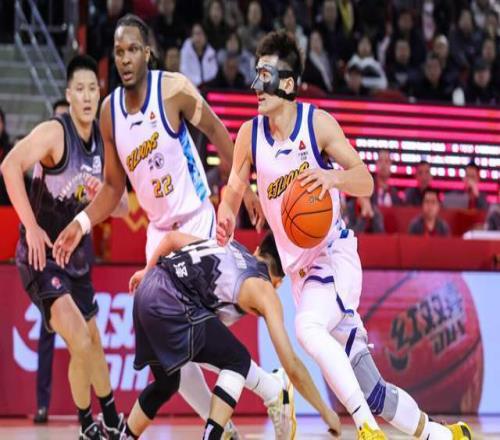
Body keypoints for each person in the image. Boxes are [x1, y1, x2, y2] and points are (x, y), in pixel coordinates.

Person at [217, 30, 472, 440]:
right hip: (301, 275)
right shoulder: (250, 134)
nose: (255, 86)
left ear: (287, 83)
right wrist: (227, 213)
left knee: (306, 328)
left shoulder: (317, 124)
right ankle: (445, 436)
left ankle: (367, 430)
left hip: (334, 256)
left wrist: (331, 177)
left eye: (265, 75)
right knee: (374, 390)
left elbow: (364, 180)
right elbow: (233, 186)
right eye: (255, 73)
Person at [52, 14, 294, 439]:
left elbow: (218, 131)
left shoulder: (174, 90)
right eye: (118, 51)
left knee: (201, 342)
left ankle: (267, 392)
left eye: (132, 49)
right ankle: (246, 409)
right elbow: (113, 188)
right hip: (159, 235)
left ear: (147, 52)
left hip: (198, 223)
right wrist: (82, 220)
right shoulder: (109, 114)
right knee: (177, 359)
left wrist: (243, 189)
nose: (125, 58)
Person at [0, 55, 128, 439]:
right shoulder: (55, 133)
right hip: (41, 257)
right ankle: (87, 425)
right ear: (69, 94)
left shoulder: (105, 144)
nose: (87, 96)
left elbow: (121, 206)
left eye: (92, 89)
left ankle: (110, 419)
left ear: (98, 94)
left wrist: (102, 194)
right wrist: (30, 226)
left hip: (76, 257)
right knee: (80, 339)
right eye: (80, 89)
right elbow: (9, 166)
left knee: (94, 342)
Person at [121, 231, 341, 439]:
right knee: (238, 361)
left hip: (146, 291)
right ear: (280, 282)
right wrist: (325, 411)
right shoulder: (265, 291)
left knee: (166, 383)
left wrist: (146, 271)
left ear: (257, 250)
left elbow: (171, 238)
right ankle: (218, 432)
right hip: (172, 300)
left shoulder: (230, 245)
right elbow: (291, 364)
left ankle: (125, 436)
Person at [34, 98, 71, 425]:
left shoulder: (85, 159)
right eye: (58, 120)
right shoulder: (42, 159)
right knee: (48, 331)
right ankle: (42, 405)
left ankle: (88, 411)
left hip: (76, 258)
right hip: (47, 257)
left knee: (85, 337)